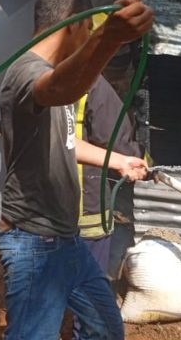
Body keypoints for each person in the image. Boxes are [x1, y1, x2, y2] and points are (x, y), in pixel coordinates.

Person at [0, 0, 153, 339]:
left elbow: (68, 142)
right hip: (35, 241)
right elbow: (59, 88)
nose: (90, 38)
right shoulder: (26, 71)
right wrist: (110, 39)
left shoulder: (51, 73)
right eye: (87, 29)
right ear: (69, 24)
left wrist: (118, 160)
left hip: (66, 239)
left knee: (105, 328)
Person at [72, 73, 146, 339]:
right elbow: (115, 137)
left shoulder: (23, 76)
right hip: (86, 207)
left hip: (38, 215)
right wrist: (140, 157)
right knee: (92, 294)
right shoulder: (90, 82)